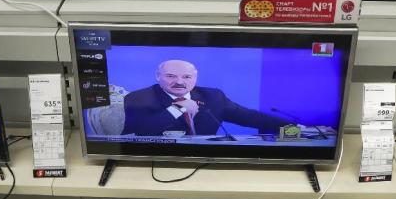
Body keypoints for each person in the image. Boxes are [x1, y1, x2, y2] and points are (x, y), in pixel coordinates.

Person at [121, 59, 290, 137]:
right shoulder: (138, 98)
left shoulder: (212, 97)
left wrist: (293, 128)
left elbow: (250, 117)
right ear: (158, 76)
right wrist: (178, 108)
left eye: (187, 77)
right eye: (171, 76)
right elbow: (141, 131)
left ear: (195, 78)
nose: (179, 82)